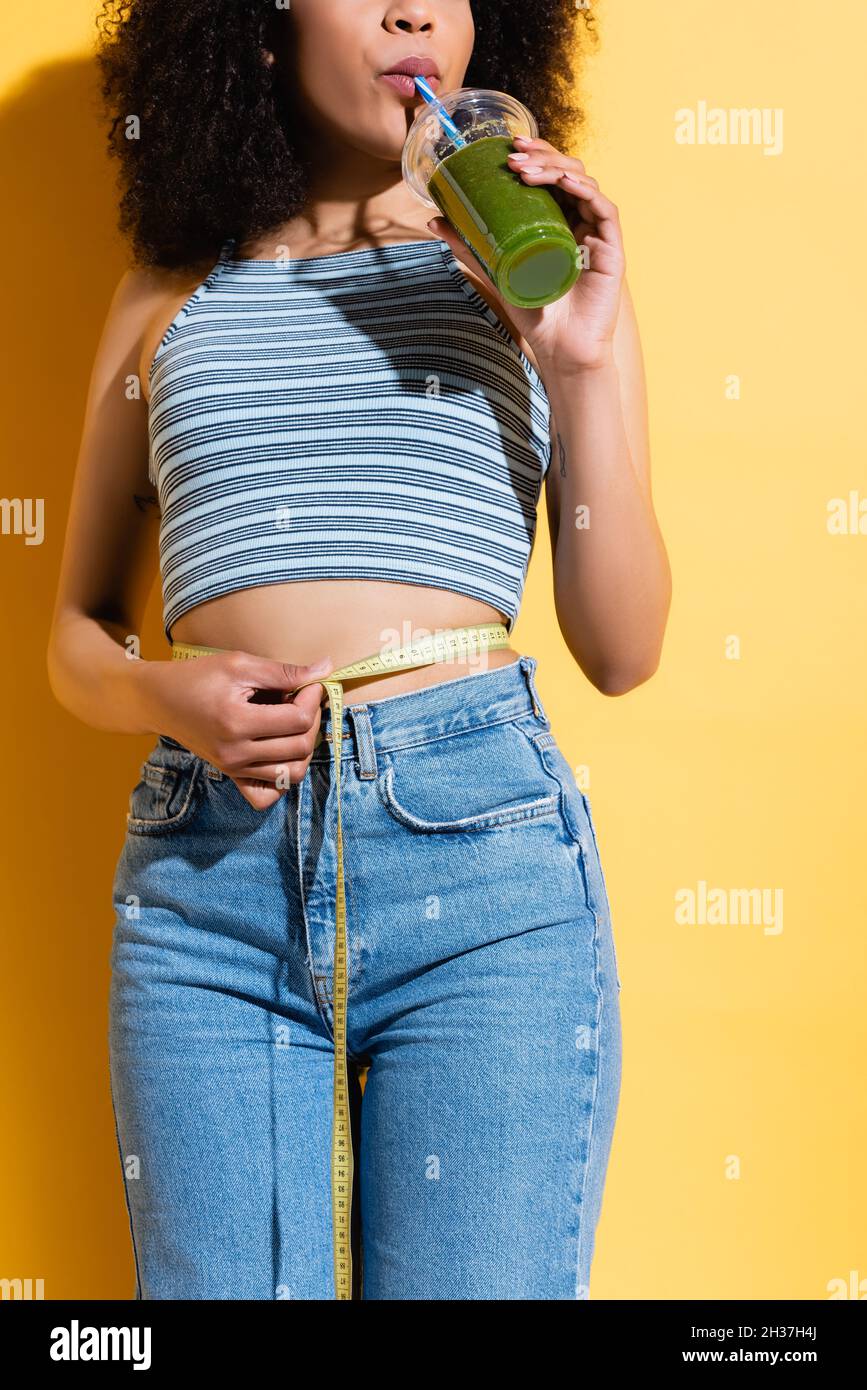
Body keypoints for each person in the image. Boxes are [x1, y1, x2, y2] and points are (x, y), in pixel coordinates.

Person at [46, 0, 671, 1300]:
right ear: (253, 24)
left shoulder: (531, 265)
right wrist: (168, 691)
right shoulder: (170, 287)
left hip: (483, 867)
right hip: (208, 884)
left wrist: (585, 364)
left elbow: (623, 646)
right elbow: (75, 630)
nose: (411, 11)